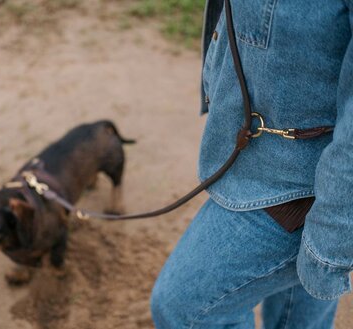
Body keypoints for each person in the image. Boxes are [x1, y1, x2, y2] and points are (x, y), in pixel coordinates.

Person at [150, 0, 353, 328]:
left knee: (184, 307)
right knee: (298, 305)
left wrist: (330, 244)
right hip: (265, 159)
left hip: (301, 191)